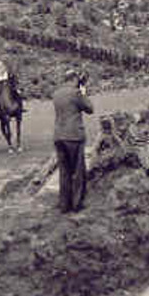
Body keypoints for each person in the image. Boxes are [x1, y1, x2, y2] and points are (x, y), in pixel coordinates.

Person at [52, 69, 94, 213]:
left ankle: (64, 204)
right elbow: (90, 108)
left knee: (64, 171)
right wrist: (83, 92)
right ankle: (77, 204)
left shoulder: (56, 93)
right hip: (74, 136)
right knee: (78, 170)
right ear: (74, 79)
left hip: (59, 135)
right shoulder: (76, 93)